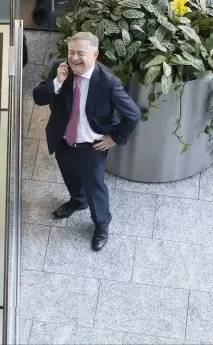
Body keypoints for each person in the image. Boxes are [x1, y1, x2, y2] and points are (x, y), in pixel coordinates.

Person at [32, 32, 140, 251]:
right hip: (63, 140)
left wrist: (115, 138)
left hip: (92, 147)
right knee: (70, 176)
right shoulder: (60, 70)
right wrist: (57, 82)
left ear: (94, 54)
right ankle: (77, 201)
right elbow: (39, 97)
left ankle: (101, 224)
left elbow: (133, 114)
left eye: (80, 53)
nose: (74, 58)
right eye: (71, 52)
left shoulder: (108, 82)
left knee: (95, 186)